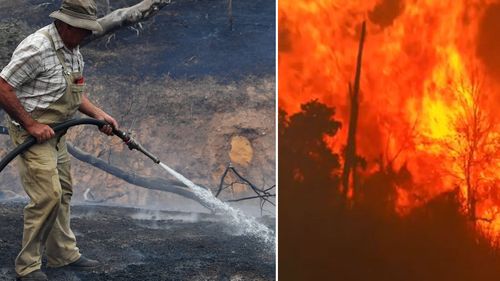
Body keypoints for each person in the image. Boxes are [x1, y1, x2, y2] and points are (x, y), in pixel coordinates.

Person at [0, 1, 118, 280]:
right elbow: (3, 86)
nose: (87, 35)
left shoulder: (72, 48)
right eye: (83, 30)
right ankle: (27, 266)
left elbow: (74, 93)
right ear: (65, 25)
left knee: (63, 192)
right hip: (32, 132)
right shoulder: (37, 47)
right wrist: (30, 124)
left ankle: (62, 254)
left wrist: (100, 115)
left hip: (57, 132)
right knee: (47, 196)